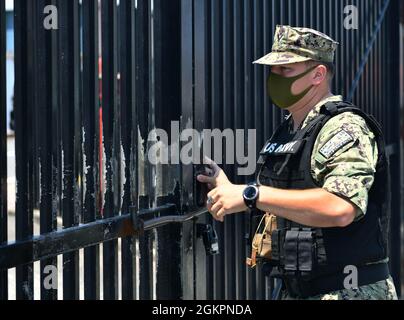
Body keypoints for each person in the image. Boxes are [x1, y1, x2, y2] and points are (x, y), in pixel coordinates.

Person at [197, 25, 398, 300]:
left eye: (286, 70)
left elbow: (341, 207)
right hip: (302, 289)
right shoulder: (291, 129)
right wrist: (230, 188)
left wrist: (249, 194)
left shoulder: (344, 127)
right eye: (273, 70)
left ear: (318, 75)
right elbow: (284, 197)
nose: (274, 77)